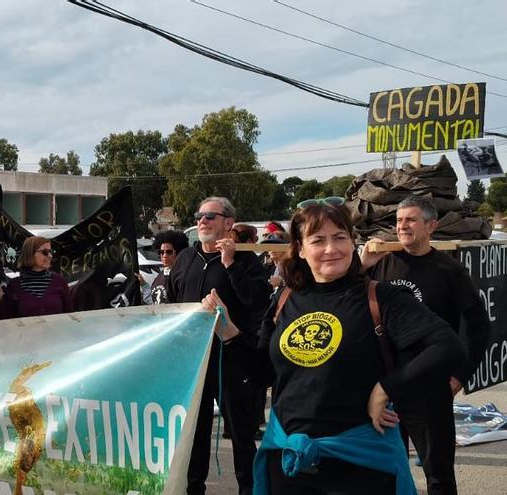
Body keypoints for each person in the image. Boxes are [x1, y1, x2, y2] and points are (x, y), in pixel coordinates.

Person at [202, 197, 464, 494]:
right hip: (290, 462)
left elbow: (446, 346)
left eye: (340, 237)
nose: (331, 249)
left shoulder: (380, 297)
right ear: (300, 248)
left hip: (359, 463)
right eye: (318, 240)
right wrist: (230, 333)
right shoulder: (285, 299)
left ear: (353, 243)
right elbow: (263, 374)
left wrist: (387, 388)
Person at [361, 195, 491, 495]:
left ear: (431, 226)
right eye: (398, 220)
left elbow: (479, 326)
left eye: (410, 220)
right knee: (385, 471)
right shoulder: (381, 264)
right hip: (382, 385)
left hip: (430, 386)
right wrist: (362, 265)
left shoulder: (448, 269)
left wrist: (460, 375)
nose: (402, 226)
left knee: (438, 475)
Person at [168, 197, 271, 495]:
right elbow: (174, 304)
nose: (202, 221)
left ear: (228, 222)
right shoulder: (185, 258)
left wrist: (230, 265)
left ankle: (249, 490)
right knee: (195, 435)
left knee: (240, 434)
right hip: (194, 362)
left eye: (210, 216)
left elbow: (257, 301)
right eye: (200, 215)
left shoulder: (247, 259)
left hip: (234, 358)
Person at [0, 236, 72, 319]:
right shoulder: (14, 286)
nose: (50, 256)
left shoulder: (59, 281)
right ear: (30, 253)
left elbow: (70, 315)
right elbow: (7, 320)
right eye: (45, 252)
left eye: (51, 252)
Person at [147, 230, 189, 304]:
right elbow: (154, 303)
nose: (164, 256)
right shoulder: (160, 276)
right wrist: (144, 286)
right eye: (161, 252)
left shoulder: (183, 277)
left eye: (169, 252)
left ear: (178, 252)